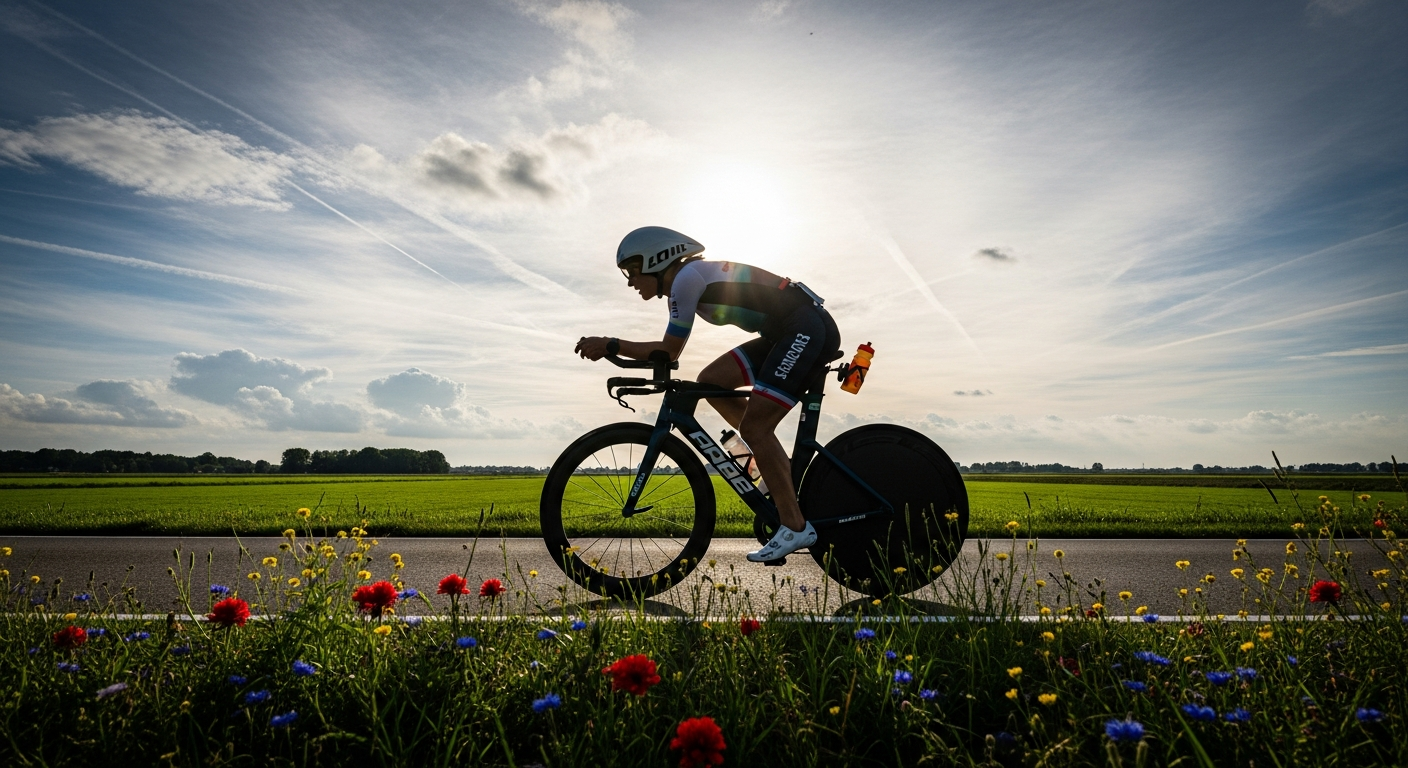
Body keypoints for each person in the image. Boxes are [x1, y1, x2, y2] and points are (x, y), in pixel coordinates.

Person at [574, 226, 841, 563]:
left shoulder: (687, 278)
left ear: (658, 259)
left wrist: (610, 343)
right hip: (787, 330)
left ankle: (794, 524)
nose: (630, 281)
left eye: (633, 270)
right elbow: (666, 352)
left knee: (756, 428)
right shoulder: (688, 280)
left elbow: (668, 351)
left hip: (805, 328)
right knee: (712, 380)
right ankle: (775, 469)